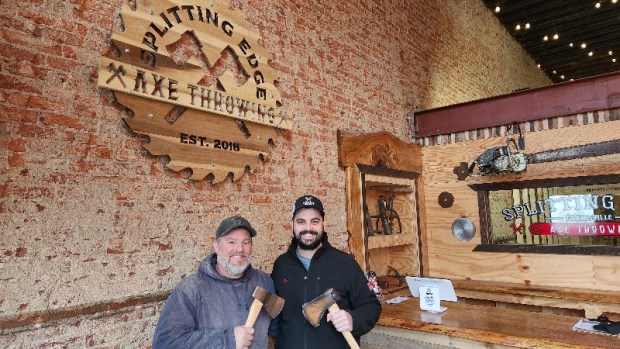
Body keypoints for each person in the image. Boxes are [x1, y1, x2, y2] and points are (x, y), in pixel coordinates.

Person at [271, 195, 382, 348]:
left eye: (314, 221)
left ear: (324, 224)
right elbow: (274, 313)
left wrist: (353, 318)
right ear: (292, 225)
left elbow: (371, 306)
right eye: (301, 221)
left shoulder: (345, 264)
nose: (308, 228)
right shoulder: (281, 265)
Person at [152, 215, 275, 349]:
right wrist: (228, 340)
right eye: (231, 242)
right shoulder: (191, 290)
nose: (240, 249)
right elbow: (165, 343)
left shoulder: (264, 281)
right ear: (216, 246)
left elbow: (276, 327)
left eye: (246, 242)